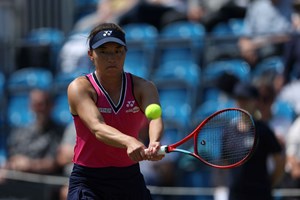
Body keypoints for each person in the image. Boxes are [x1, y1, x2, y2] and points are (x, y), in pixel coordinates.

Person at [66, 22, 164, 199]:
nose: (112, 57)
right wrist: (129, 141)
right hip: (89, 180)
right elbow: (97, 127)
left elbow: (155, 118)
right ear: (91, 55)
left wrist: (154, 142)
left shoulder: (144, 87)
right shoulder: (80, 87)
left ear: (125, 53)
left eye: (118, 50)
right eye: (103, 51)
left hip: (129, 178)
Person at [227, 81, 285, 200]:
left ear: (255, 101)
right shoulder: (229, 130)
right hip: (235, 194)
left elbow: (279, 161)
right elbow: (225, 161)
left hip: (259, 195)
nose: (241, 103)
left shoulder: (263, 130)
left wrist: (269, 184)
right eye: (239, 99)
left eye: (245, 99)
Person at [3, 88, 64, 174]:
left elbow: (54, 163)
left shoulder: (60, 133)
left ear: (51, 105)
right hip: (19, 179)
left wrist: (30, 165)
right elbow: (12, 157)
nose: (40, 108)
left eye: (43, 104)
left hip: (44, 182)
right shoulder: (20, 132)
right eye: (35, 104)